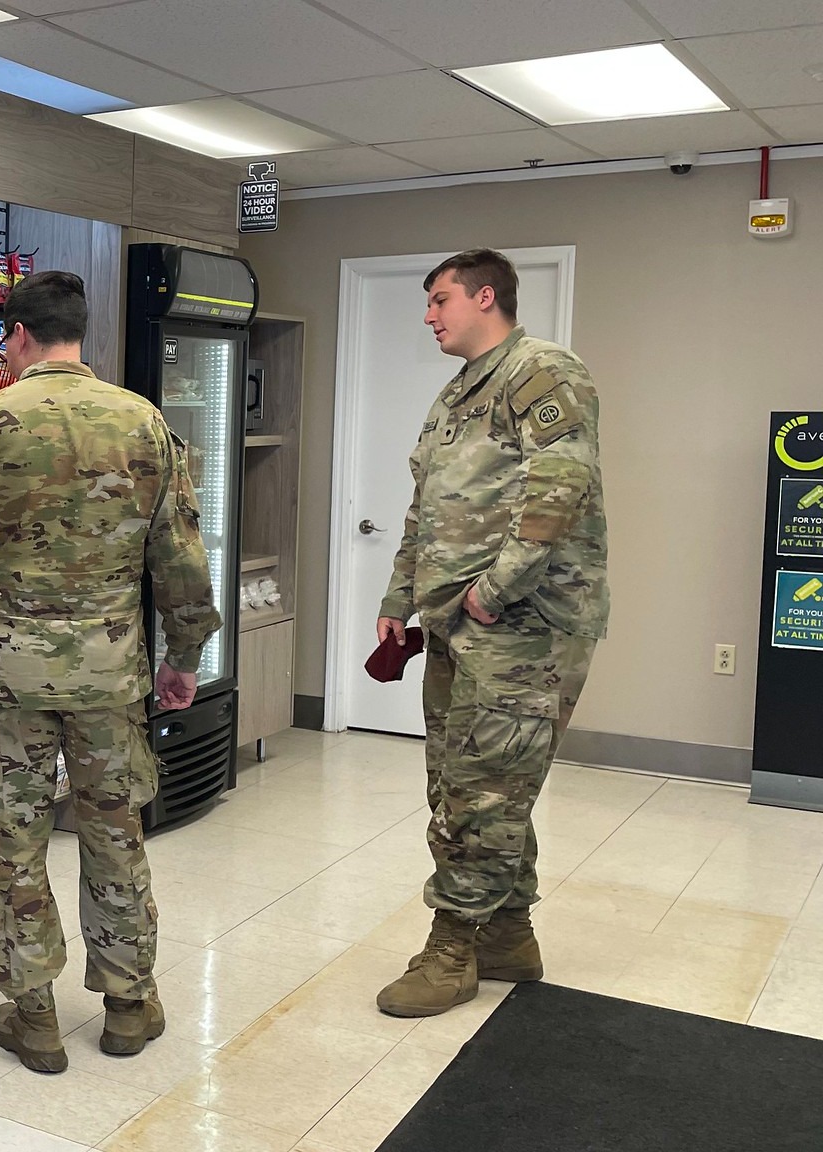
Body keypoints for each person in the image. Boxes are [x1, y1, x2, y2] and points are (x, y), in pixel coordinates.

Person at [0, 270, 220, 1073]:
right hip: (110, 676)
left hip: (8, 675)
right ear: (80, 336)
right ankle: (129, 1004)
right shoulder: (143, 422)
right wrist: (184, 657)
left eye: (3, 340)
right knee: (114, 834)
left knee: (14, 842)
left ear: (20, 336)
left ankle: (33, 1013)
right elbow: (180, 559)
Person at [375, 248, 608, 1018]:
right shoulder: (455, 398)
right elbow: (425, 508)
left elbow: (560, 488)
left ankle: (452, 952)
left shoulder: (543, 373)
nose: (430, 315)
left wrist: (493, 591)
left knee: (483, 792)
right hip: (457, 625)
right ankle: (509, 934)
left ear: (485, 296)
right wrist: (399, 596)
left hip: (525, 630)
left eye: (440, 299)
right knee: (464, 785)